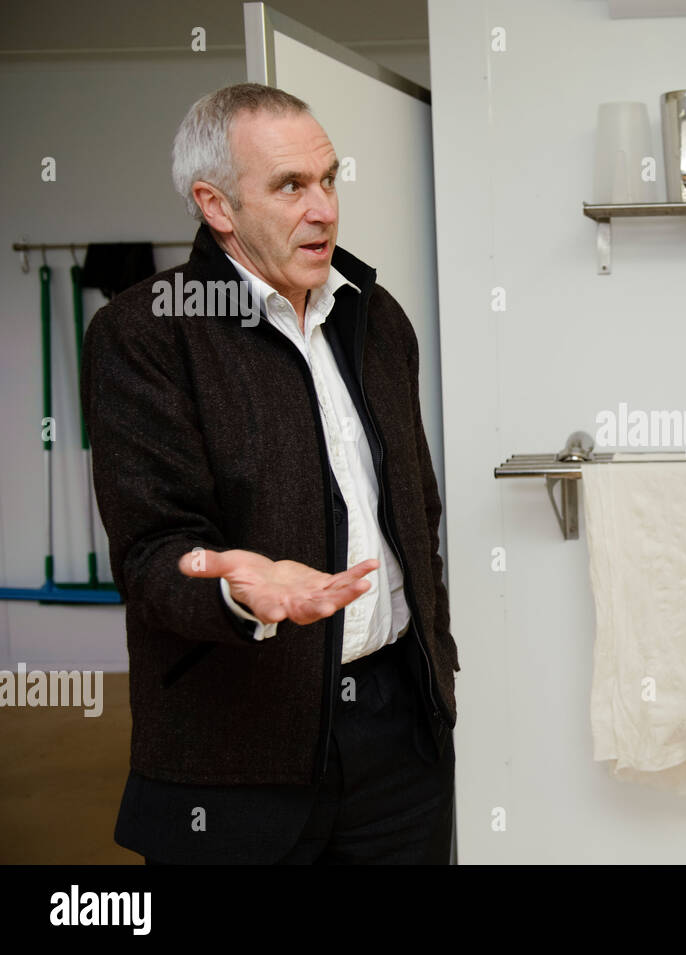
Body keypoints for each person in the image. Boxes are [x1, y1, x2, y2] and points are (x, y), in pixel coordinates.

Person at [82, 83, 458, 864]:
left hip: (397, 736)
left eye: (329, 179)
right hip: (236, 750)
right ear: (216, 206)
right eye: (291, 186)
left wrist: (435, 670)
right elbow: (154, 553)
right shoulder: (145, 334)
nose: (324, 208)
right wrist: (232, 585)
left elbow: (416, 509)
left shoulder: (376, 317)